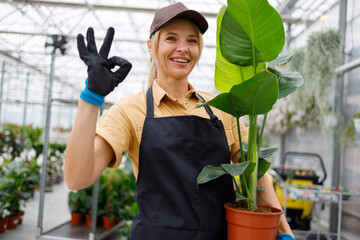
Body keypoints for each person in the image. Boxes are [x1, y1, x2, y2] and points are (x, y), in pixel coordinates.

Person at [64, 2, 295, 240]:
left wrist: (284, 233)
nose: (183, 48)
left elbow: (255, 176)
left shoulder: (224, 107)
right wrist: (91, 97)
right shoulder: (130, 110)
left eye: (192, 40)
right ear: (151, 47)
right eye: (171, 38)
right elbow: (77, 178)